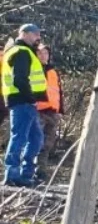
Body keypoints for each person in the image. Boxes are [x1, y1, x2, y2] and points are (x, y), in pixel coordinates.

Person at [2, 25, 47, 187]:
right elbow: (19, 79)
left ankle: (25, 174)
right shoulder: (21, 52)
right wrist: (31, 98)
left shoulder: (23, 51)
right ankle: (12, 174)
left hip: (25, 102)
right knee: (19, 137)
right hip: (22, 101)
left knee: (36, 138)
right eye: (36, 34)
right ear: (24, 34)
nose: (38, 38)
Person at [34, 44, 63, 178]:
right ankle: (30, 170)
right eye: (40, 53)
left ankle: (41, 170)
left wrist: (60, 110)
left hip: (52, 112)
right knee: (35, 141)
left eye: (46, 53)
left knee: (47, 143)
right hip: (38, 110)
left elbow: (58, 92)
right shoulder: (34, 69)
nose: (44, 55)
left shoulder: (53, 71)